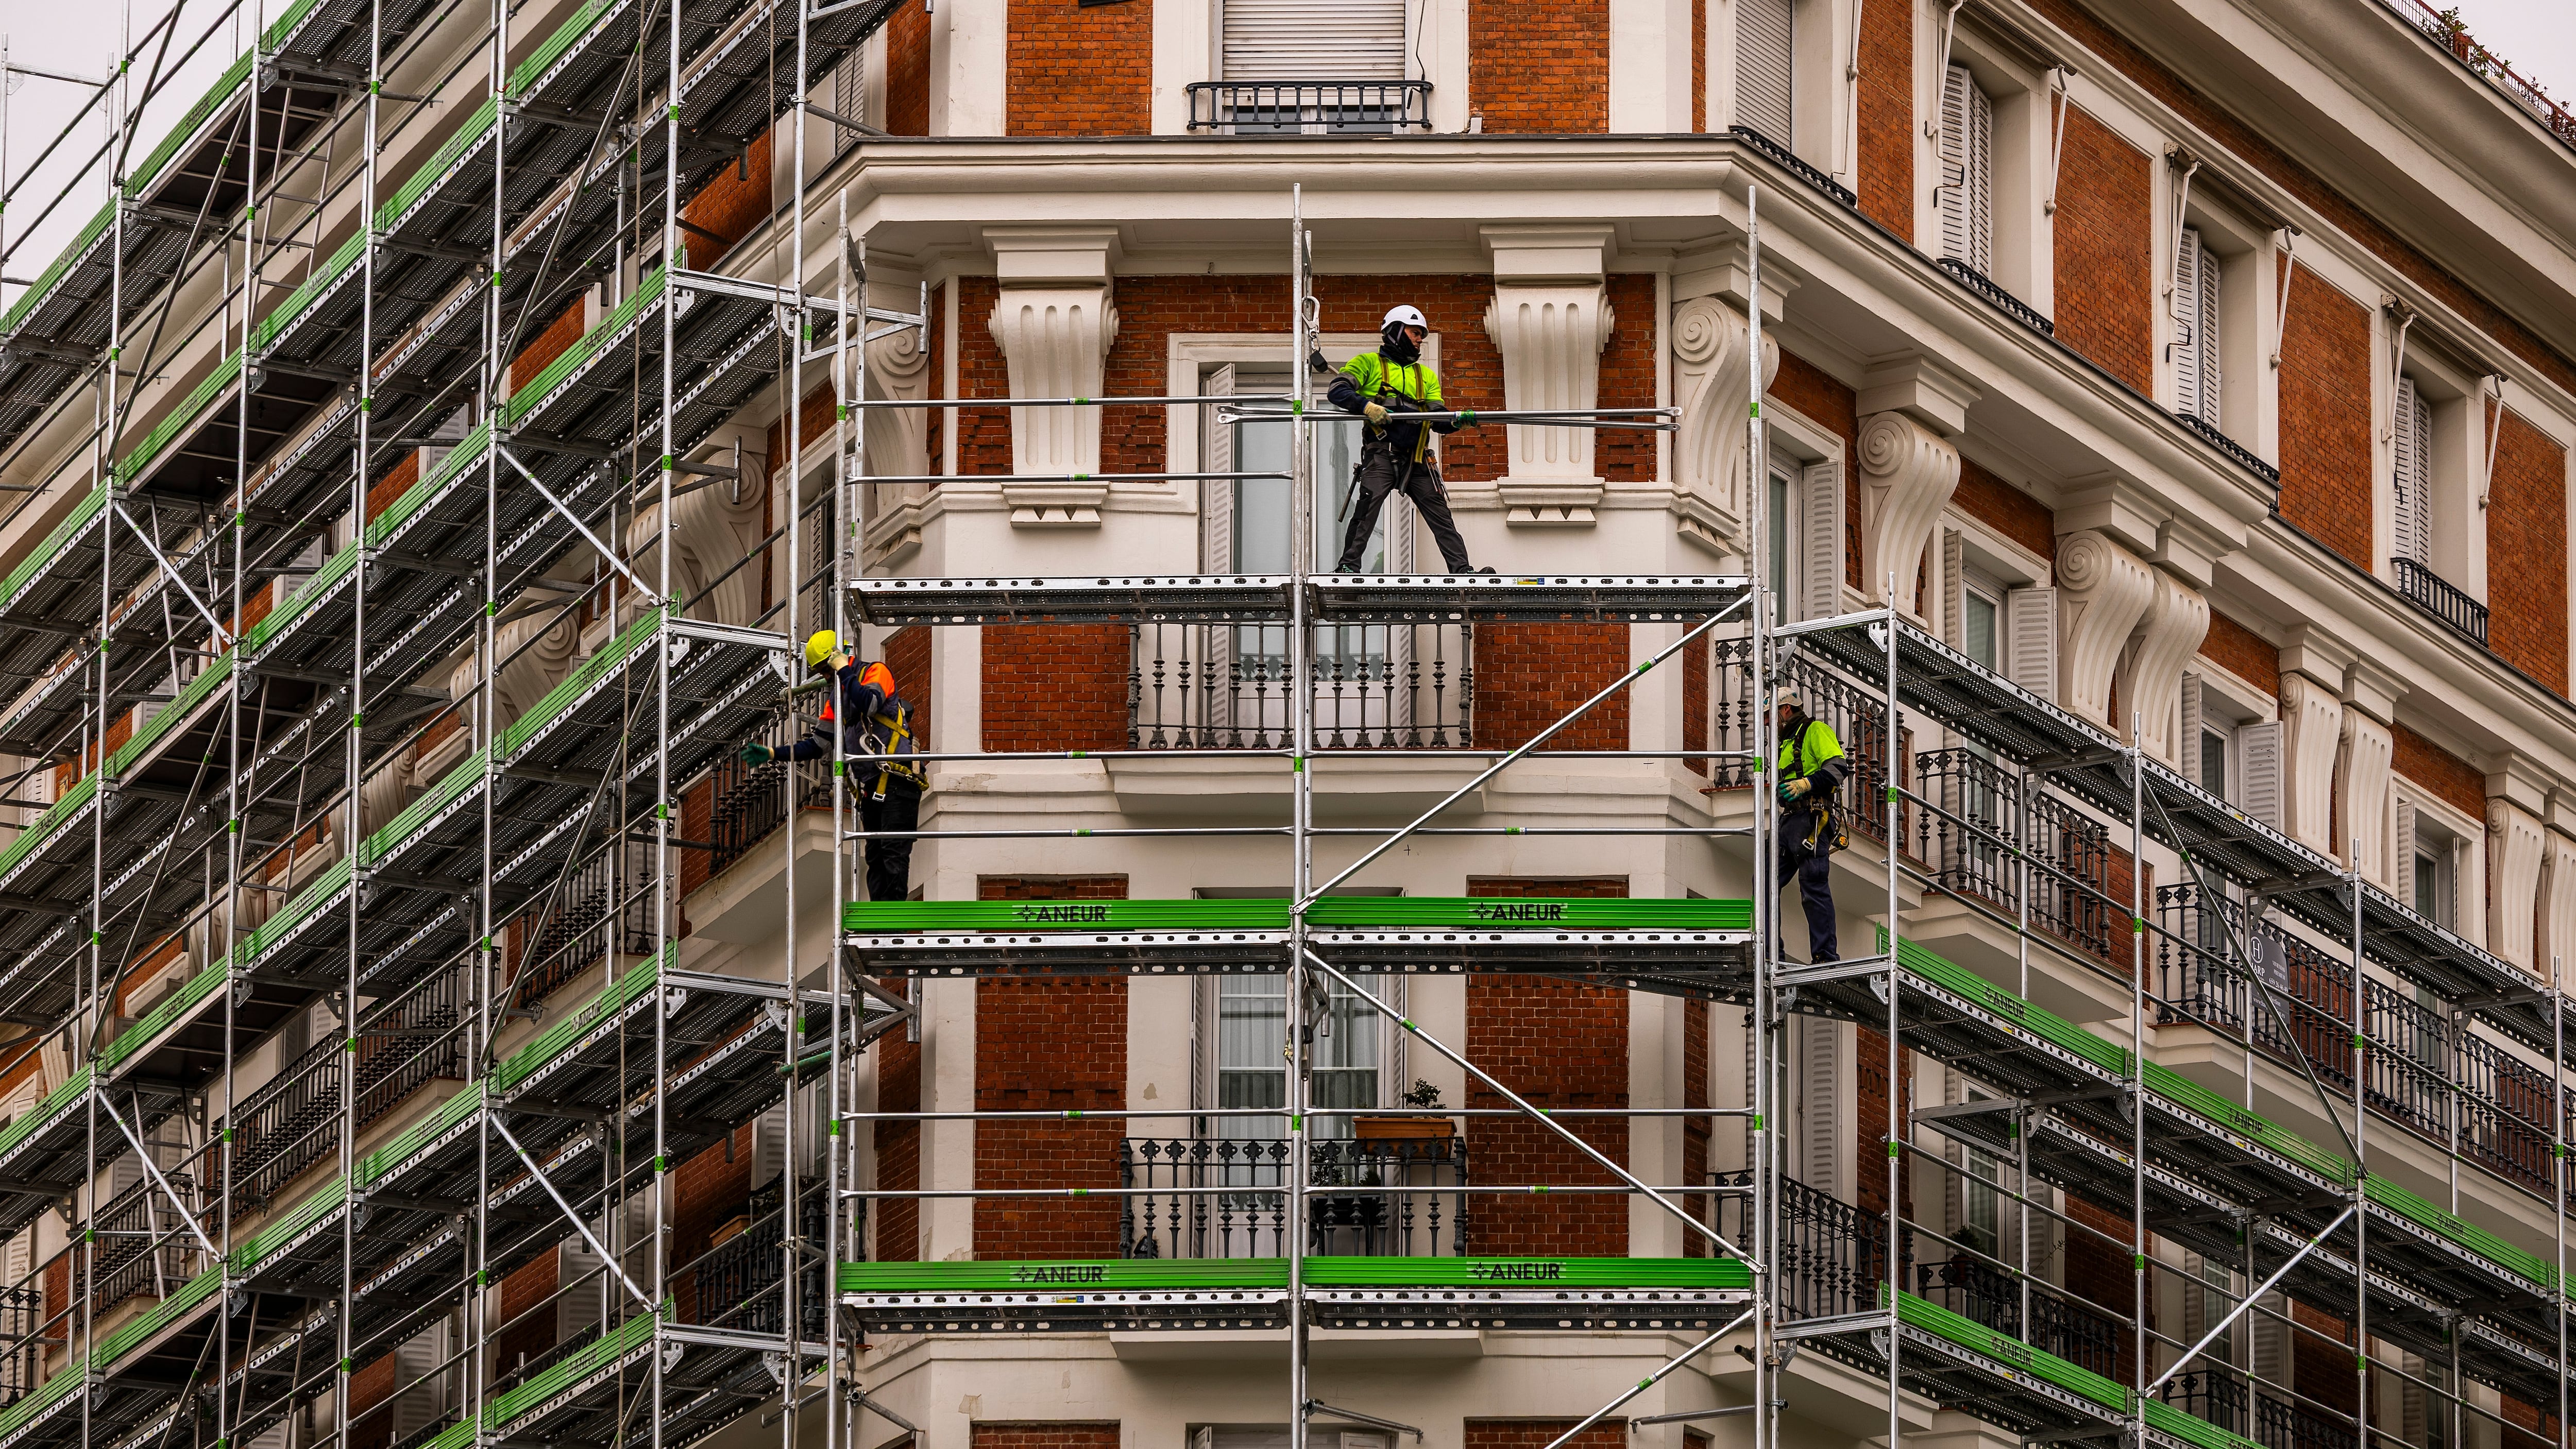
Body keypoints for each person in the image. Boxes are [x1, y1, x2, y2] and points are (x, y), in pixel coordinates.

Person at [741, 630, 923, 903]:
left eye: (827, 668)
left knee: (893, 852)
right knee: (875, 856)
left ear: (840, 657)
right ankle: (880, 916)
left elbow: (870, 704)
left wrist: (844, 671)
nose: (826, 676)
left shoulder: (875, 672)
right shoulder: (838, 698)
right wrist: (772, 753)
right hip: (873, 786)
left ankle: (894, 919)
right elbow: (817, 745)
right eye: (822, 671)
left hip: (898, 780)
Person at [1326, 304, 1491, 576]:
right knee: (1367, 509)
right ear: (1396, 331)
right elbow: (1337, 390)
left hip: (1417, 458)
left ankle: (1462, 570)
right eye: (1415, 333)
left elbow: (1438, 419)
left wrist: (1456, 421)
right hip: (1381, 453)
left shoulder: (1425, 376)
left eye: (1421, 335)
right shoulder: (1367, 363)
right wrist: (1367, 407)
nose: (1419, 339)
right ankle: (1348, 567)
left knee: (1441, 516)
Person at [1774, 686, 1849, 963]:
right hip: (1790, 821)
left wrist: (1806, 784)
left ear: (1785, 709)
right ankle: (1772, 952)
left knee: (1813, 885)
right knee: (1766, 883)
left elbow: (1838, 769)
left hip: (1813, 817)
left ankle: (1825, 956)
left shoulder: (1814, 730)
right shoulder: (1784, 742)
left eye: (1774, 714)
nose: (1772, 722)